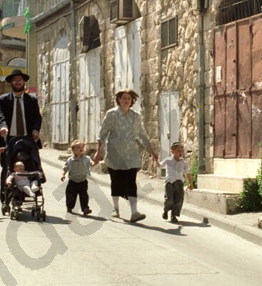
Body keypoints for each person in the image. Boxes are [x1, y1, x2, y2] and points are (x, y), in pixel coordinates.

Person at [93, 88, 158, 223]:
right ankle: (116, 209)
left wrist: (152, 152)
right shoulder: (111, 115)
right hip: (114, 155)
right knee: (116, 182)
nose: (126, 101)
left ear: (132, 101)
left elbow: (143, 136)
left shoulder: (135, 117)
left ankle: (134, 212)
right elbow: (103, 133)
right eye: (124, 98)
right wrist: (98, 151)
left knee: (131, 183)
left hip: (131, 155)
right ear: (119, 100)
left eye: (129, 99)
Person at [0, 69, 42, 205]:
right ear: (11, 83)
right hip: (8, 139)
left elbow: (37, 117)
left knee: (28, 167)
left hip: (27, 140)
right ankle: (5, 196)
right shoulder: (3, 100)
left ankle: (24, 194)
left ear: (24, 82)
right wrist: (2, 126)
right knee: (7, 167)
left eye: (20, 80)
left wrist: (36, 130)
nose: (18, 82)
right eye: (15, 80)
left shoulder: (31, 100)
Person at [159, 141, 194, 222]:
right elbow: (160, 165)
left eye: (181, 151)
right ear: (173, 151)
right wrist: (156, 159)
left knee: (178, 200)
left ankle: (173, 216)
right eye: (178, 151)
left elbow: (188, 173)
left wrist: (191, 183)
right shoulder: (168, 160)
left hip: (179, 183)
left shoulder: (183, 162)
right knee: (169, 199)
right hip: (169, 183)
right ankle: (166, 210)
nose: (180, 152)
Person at [61, 139, 92, 215]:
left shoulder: (86, 158)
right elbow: (66, 167)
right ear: (73, 150)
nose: (80, 148)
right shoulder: (70, 160)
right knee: (70, 196)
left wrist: (94, 163)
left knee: (84, 195)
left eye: (82, 147)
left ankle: (85, 208)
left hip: (82, 181)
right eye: (78, 147)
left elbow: (91, 163)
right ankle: (69, 207)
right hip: (72, 181)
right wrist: (63, 174)